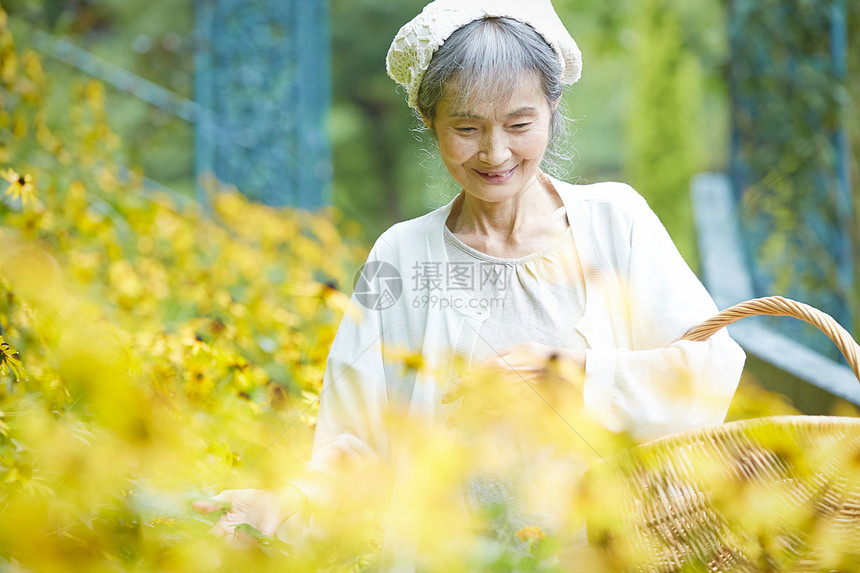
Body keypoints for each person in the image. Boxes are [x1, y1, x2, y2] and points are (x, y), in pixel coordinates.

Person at [193, 0, 746, 566]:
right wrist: (284, 501)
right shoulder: (401, 256)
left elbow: (709, 372)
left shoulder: (614, 221)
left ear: (553, 110)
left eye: (519, 124)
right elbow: (360, 443)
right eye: (466, 127)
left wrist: (575, 375)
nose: (496, 152)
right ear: (430, 121)